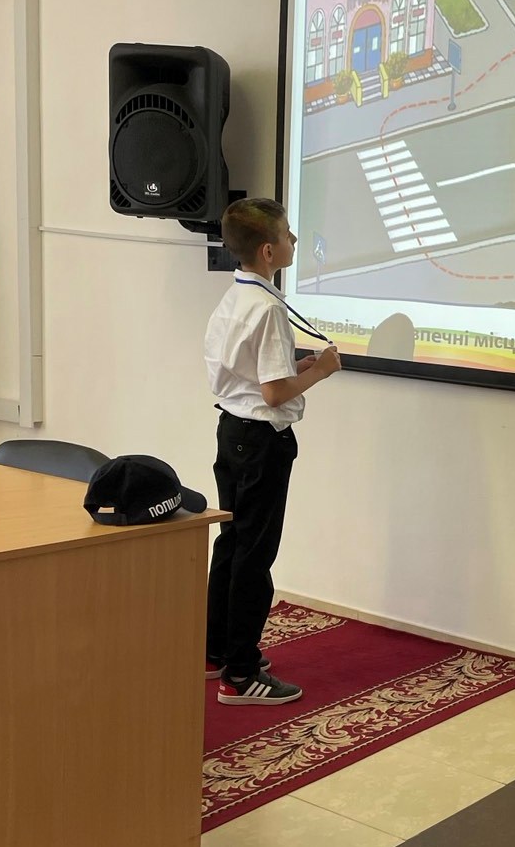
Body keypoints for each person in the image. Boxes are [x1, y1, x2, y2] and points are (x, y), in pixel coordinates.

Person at [203, 197, 342, 705]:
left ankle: (217, 649)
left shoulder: (238, 296)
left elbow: (252, 376)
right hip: (261, 442)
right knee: (255, 556)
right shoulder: (267, 309)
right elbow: (275, 393)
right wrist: (320, 370)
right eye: (287, 234)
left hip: (232, 432)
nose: (294, 241)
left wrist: (296, 367)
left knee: (233, 543)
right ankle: (241, 675)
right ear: (268, 250)